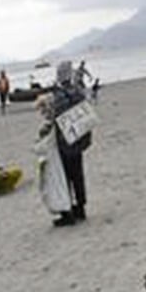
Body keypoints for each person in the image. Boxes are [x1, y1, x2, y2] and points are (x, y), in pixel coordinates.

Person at [39, 61, 93, 226]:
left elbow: (53, 117)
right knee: (78, 175)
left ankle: (67, 212)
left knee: (63, 178)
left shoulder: (58, 96)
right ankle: (81, 208)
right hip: (78, 139)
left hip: (64, 142)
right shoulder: (77, 91)